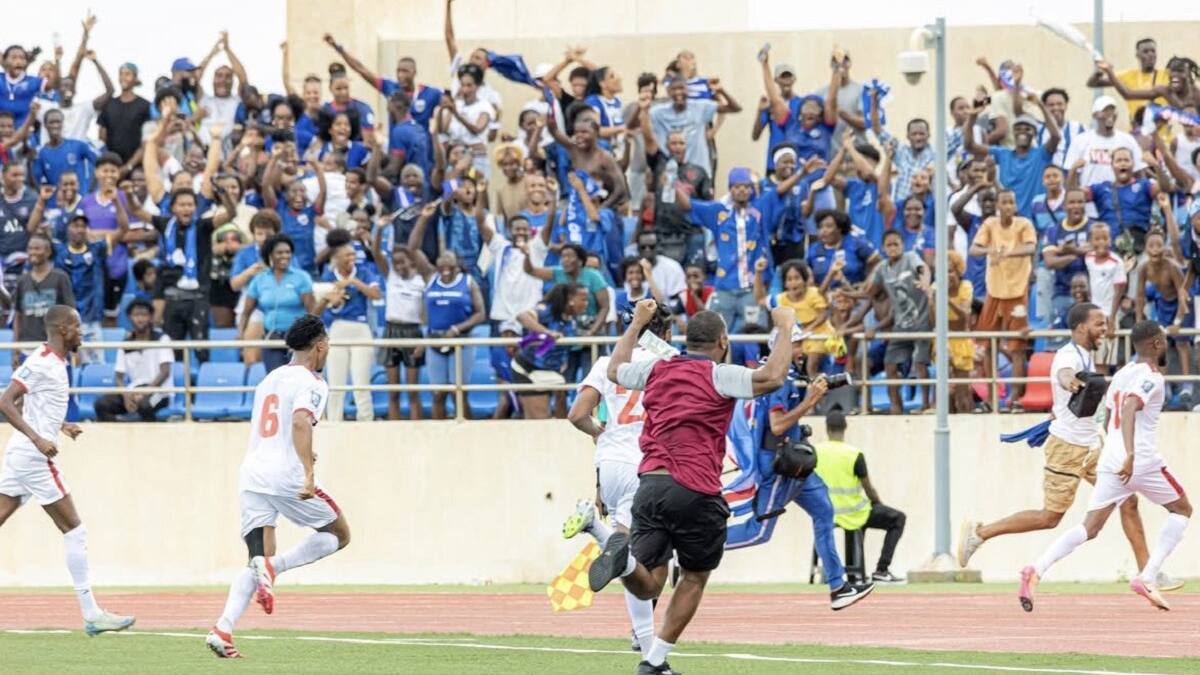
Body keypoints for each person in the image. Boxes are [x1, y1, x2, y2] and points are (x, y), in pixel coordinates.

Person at [588, 301, 797, 675]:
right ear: (722, 341)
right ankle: (655, 660)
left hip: (650, 484)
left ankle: (625, 562)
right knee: (694, 576)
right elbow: (773, 377)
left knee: (649, 585)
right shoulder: (719, 374)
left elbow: (615, 370)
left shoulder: (657, 368)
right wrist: (785, 327)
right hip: (695, 487)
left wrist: (636, 324)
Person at [958, 303, 1171, 586]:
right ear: (1081, 327)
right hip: (1067, 448)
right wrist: (1069, 382)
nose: (1104, 329)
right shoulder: (1068, 356)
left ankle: (1148, 573)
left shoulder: (1086, 355)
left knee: (1128, 501)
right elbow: (1064, 373)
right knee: (1050, 517)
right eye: (1099, 324)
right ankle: (980, 533)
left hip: (1092, 446)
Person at [1018, 320, 1191, 613]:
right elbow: (1130, 407)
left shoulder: (1122, 373)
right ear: (1157, 344)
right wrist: (1131, 453)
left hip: (1110, 460)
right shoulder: (1152, 377)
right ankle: (1148, 576)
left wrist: (1116, 448)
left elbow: (1110, 412)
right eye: (1164, 341)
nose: (1166, 346)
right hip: (1140, 460)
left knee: (1090, 527)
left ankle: (1036, 569)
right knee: (1182, 509)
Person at [206, 315, 351, 658]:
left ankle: (223, 629)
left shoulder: (268, 379)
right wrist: (308, 471)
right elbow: (300, 422)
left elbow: (277, 429)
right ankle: (276, 567)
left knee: (257, 558)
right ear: (320, 345)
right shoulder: (313, 382)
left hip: (253, 474)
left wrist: (302, 451)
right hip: (285, 475)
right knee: (339, 534)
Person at [0, 304, 135, 636]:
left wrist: (60, 426)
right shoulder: (42, 362)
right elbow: (5, 401)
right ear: (63, 329)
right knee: (75, 530)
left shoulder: (55, 362)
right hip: (33, 457)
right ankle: (92, 614)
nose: (81, 332)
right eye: (76, 326)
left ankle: (93, 614)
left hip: (21, 454)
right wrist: (38, 439)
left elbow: (31, 405)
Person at [720, 327, 876, 609]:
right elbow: (778, 424)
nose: (802, 350)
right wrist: (810, 400)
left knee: (824, 510)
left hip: (795, 462)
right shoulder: (780, 379)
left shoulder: (779, 374)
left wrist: (801, 421)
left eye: (801, 343)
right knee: (759, 531)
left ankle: (838, 586)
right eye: (796, 344)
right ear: (780, 348)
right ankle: (692, 550)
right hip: (780, 465)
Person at [563, 303, 674, 655]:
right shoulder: (669, 363)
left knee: (626, 547)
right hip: (649, 464)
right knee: (648, 558)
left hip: (610, 462)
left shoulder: (604, 363)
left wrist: (601, 434)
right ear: (667, 333)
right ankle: (645, 641)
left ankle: (596, 527)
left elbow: (576, 415)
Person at [674, 167, 771, 333]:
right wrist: (673, 185)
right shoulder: (719, 212)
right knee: (713, 334)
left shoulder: (760, 211)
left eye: (746, 186)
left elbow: (777, 193)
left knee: (755, 336)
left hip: (751, 289)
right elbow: (689, 206)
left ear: (751, 189)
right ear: (730, 189)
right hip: (725, 287)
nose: (742, 190)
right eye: (737, 186)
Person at [814, 411, 906, 584]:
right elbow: (868, 488)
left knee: (855, 526)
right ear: (845, 427)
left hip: (825, 513)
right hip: (854, 512)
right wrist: (878, 503)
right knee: (898, 518)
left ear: (826, 428)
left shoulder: (816, 452)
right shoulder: (853, 454)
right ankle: (881, 570)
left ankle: (852, 576)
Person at [846, 229, 932, 413]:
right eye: (889, 245)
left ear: (902, 245)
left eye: (896, 244)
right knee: (890, 363)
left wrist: (925, 281)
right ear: (883, 248)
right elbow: (869, 292)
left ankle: (926, 405)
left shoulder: (910, 257)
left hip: (921, 321)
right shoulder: (882, 268)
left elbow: (923, 268)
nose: (893, 248)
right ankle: (896, 406)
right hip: (901, 326)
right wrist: (847, 292)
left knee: (920, 363)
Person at [411, 216, 485, 420]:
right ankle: (439, 432)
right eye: (442, 260)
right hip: (435, 339)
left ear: (457, 265)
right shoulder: (431, 277)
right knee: (438, 393)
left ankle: (467, 430)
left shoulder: (468, 282)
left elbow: (480, 313)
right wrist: (423, 220)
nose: (445, 264)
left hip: (461, 341)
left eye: (449, 261)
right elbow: (413, 249)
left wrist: (457, 328)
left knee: (458, 392)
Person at [969, 190, 1036, 410]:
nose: (1007, 206)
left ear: (1015, 205)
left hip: (1017, 291)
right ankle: (991, 398)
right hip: (994, 291)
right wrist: (992, 250)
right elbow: (974, 249)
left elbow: (1031, 247)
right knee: (988, 345)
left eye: (1011, 202)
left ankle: (1015, 397)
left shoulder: (1024, 224)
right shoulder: (990, 224)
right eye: (1004, 202)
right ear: (998, 205)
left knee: (1017, 348)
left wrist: (1006, 253)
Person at [315, 236, 382, 422]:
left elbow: (376, 294)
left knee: (361, 384)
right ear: (336, 258)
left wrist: (353, 282)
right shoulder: (328, 276)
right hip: (337, 328)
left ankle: (365, 422)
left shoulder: (364, 271)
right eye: (347, 255)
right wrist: (330, 299)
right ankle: (334, 422)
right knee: (336, 384)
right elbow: (318, 309)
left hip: (360, 327)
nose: (352, 258)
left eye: (353, 254)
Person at [963, 97, 1059, 218]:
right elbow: (970, 146)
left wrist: (1041, 105)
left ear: (1035, 133)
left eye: (1028, 129)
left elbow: (1056, 136)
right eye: (1018, 129)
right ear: (1013, 132)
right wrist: (972, 116)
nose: (1022, 132)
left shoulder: (1041, 154)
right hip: (1009, 219)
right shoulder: (1003, 154)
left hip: (1037, 218)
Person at [241, 234, 316, 373]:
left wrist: (307, 337)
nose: (285, 256)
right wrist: (241, 336)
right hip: (272, 338)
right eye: (280, 252)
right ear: (270, 255)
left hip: (298, 339)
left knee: (298, 380)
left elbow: (312, 311)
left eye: (288, 252)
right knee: (276, 379)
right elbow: (246, 312)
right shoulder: (260, 279)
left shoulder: (301, 277)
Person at [1135, 229, 1194, 407]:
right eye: (1151, 245)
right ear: (1146, 249)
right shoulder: (1143, 268)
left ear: (1164, 247)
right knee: (1159, 344)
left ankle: (1187, 385)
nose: (1155, 249)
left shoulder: (1172, 267)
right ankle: (1163, 385)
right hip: (1163, 305)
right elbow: (1139, 295)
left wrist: (1178, 321)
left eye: (1158, 245)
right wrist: (1138, 319)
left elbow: (1183, 293)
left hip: (1182, 305)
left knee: (1182, 343)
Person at [514, 283, 589, 419]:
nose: (586, 303)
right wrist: (547, 332)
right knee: (540, 419)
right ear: (571, 299)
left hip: (552, 372)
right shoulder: (546, 310)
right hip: (529, 369)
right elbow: (522, 317)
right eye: (583, 299)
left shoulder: (571, 319)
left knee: (562, 417)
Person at [93, 300, 173, 422]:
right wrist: (125, 395)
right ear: (129, 317)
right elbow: (119, 377)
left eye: (144, 315)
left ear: (151, 317)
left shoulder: (162, 339)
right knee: (102, 404)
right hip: (134, 390)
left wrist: (145, 392)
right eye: (136, 315)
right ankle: (122, 429)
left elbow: (165, 372)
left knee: (144, 405)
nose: (140, 319)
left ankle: (150, 433)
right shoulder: (126, 344)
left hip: (159, 391)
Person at [650, 76, 740, 175]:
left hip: (699, 171)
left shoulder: (700, 107)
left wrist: (721, 91)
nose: (678, 92)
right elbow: (638, 123)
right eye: (674, 89)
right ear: (668, 92)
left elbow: (735, 108)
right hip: (670, 173)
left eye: (681, 88)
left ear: (688, 90)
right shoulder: (658, 113)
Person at [12, 234, 75, 366]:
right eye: (30, 248)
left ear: (48, 252)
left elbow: (71, 314)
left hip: (56, 348)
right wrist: (15, 350)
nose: (32, 252)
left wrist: (73, 347)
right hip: (28, 349)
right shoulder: (22, 281)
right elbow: (18, 316)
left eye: (37, 248)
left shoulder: (60, 277)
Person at [53, 212, 106, 363]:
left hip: (91, 319)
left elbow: (123, 230)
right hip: (65, 321)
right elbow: (33, 232)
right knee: (66, 366)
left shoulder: (96, 249)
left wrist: (116, 202)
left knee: (96, 368)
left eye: (83, 226)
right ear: (67, 228)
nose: (80, 229)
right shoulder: (58, 251)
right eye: (75, 225)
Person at [1062, 96, 1145, 190]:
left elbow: (1139, 171)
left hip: (1121, 196)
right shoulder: (1080, 140)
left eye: (1112, 110)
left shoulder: (1128, 140)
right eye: (1105, 111)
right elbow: (1070, 174)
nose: (1109, 114)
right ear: (1095, 115)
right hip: (1090, 196)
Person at [1041, 189, 1096, 330]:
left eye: (1080, 202)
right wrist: (1077, 254)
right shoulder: (1053, 230)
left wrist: (1067, 251)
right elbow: (1049, 262)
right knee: (1058, 337)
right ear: (1064, 205)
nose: (1076, 206)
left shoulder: (1094, 228)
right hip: (1062, 292)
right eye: (1072, 202)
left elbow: (1096, 252)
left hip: (1091, 293)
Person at [1086, 38, 1168, 123]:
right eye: (1145, 51)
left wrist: (1109, 71)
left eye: (1153, 51)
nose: (1150, 54)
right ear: (1137, 55)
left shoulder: (1166, 75)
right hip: (1137, 129)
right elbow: (1092, 84)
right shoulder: (1129, 75)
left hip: (1162, 130)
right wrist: (1098, 73)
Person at [1084, 222, 1127, 376]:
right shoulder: (1088, 258)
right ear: (1091, 241)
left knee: (1104, 362)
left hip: (1108, 315)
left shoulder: (1116, 263)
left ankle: (1104, 391)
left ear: (1110, 240)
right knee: (1093, 361)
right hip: (1092, 315)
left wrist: (1112, 321)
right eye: (1097, 239)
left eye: (1105, 238)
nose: (1101, 242)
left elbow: (1118, 293)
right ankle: (1097, 391)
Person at [97, 63, 152, 168]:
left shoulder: (145, 106)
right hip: (112, 165)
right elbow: (101, 138)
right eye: (121, 74)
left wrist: (128, 167)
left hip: (136, 165)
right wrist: (108, 163)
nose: (123, 77)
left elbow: (147, 141)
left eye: (127, 74)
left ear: (135, 78)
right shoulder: (109, 105)